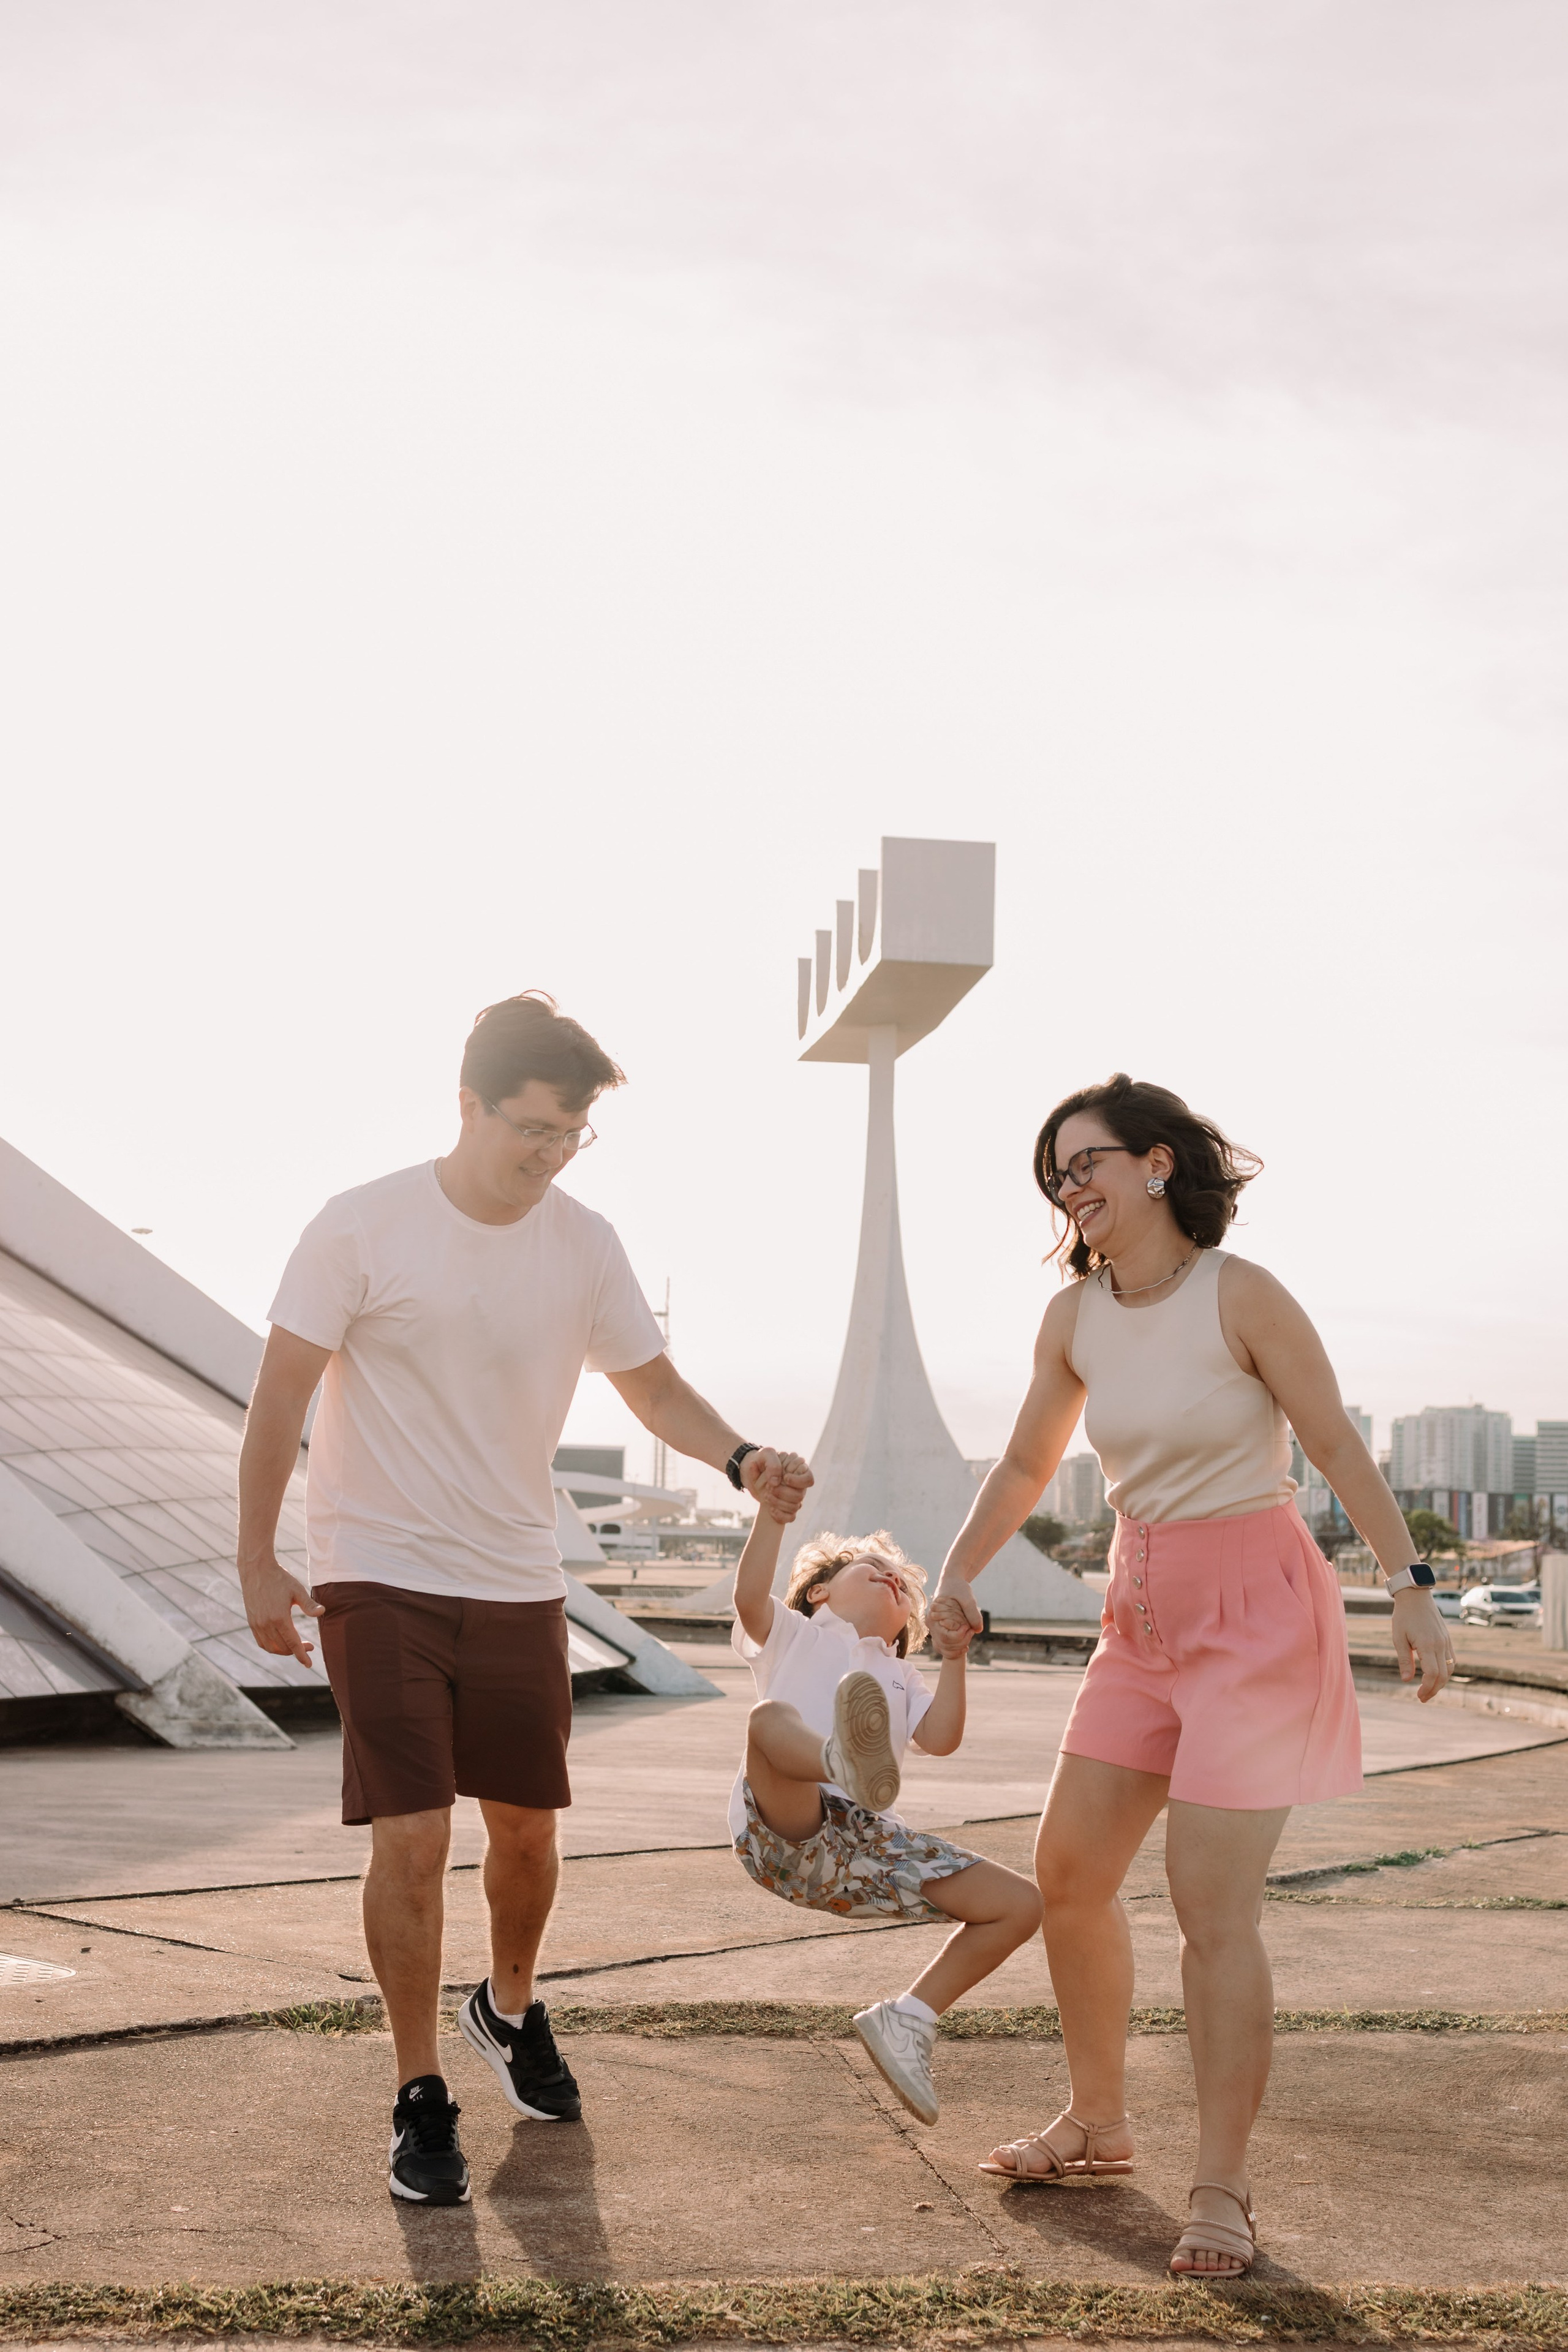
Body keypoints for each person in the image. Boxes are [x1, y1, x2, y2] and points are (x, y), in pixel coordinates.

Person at [236, 990, 812, 2207]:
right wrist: (255, 1558)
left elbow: (650, 1388)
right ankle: (416, 2090)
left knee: (527, 1834)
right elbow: (279, 1398)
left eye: (572, 1136)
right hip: (376, 1570)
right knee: (413, 1836)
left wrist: (737, 1457)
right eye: (534, 1129)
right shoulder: (360, 1226)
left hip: (513, 1577)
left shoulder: (582, 1243)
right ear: (468, 1105)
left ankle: (505, 2008)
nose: (551, 1154)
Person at [929, 1072, 1453, 2277]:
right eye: (1053, 1175)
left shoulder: (1240, 1296)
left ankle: (1220, 2186)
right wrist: (958, 1569)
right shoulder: (1071, 1317)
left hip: (1256, 1613)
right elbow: (1022, 1462)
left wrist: (1410, 1588)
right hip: (1137, 1611)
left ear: (1155, 1163)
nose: (1069, 1190)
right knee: (1068, 1873)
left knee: (1209, 1910)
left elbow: (1329, 1443)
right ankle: (1098, 2123)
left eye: (1086, 1164)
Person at [730, 1503, 1043, 2125]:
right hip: (786, 1825)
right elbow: (746, 1596)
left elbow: (943, 1737)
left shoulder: (900, 1677)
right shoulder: (795, 1634)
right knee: (767, 1721)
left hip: (867, 1848)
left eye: (902, 1581)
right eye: (874, 1566)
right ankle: (834, 1756)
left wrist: (954, 1657)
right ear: (819, 1591)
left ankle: (908, 2019)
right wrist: (772, 1512)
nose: (892, 1577)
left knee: (1021, 1905)